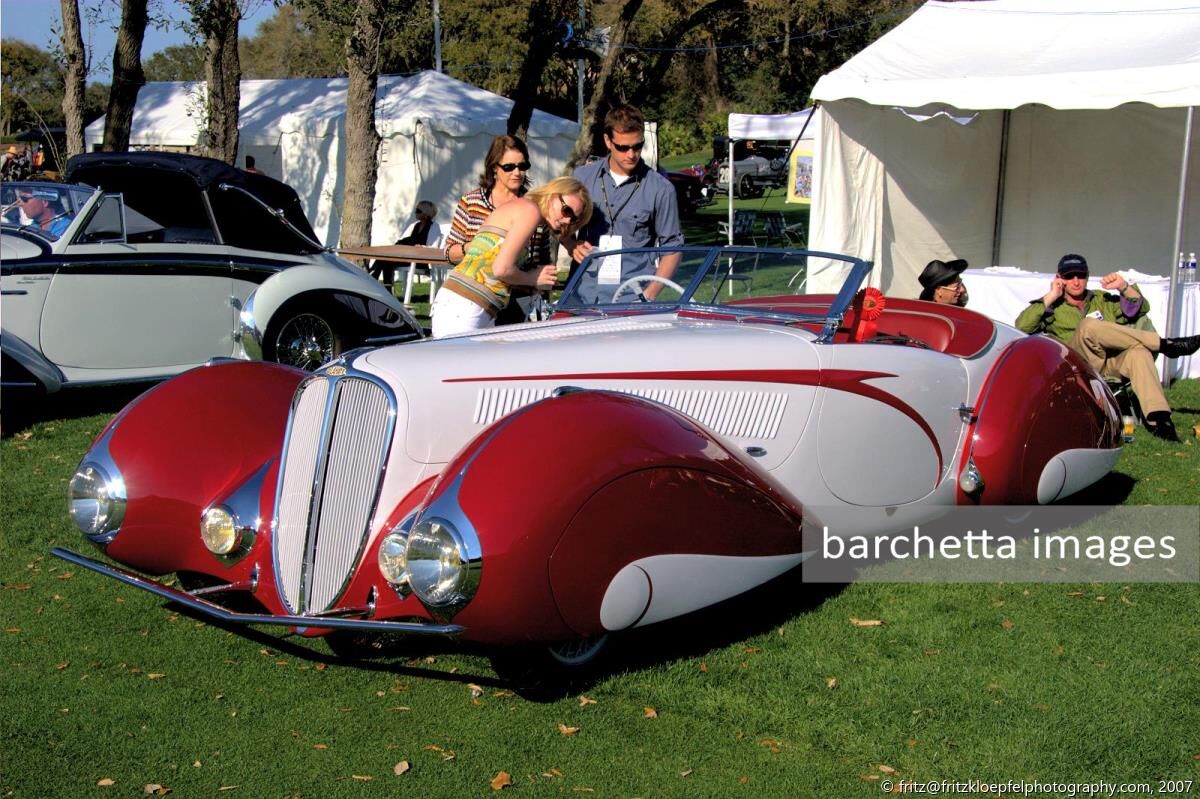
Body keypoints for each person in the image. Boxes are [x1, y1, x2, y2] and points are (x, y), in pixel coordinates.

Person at [1014, 253, 1200, 441]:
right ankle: (1166, 344)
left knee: (1139, 353)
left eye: (1081, 275)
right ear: (1060, 278)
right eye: (1070, 276)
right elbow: (1022, 326)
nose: (1076, 282)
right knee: (1088, 325)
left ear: (1088, 276)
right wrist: (1052, 295)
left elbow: (1141, 308)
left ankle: (1160, 420)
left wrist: (1124, 287)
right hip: (1077, 365)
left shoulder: (1101, 300)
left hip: (1109, 363)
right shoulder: (1053, 306)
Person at [432, 177, 592, 337]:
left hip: (468, 304)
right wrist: (533, 278)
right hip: (465, 306)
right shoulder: (530, 211)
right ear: (552, 195)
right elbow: (501, 269)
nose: (567, 220)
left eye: (574, 219)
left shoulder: (524, 209)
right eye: (566, 210)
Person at [561, 104, 683, 303]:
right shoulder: (582, 177)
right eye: (623, 147)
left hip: (630, 299)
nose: (631, 154)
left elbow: (673, 247)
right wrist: (570, 244)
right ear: (608, 141)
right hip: (580, 296)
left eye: (637, 146)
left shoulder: (661, 189)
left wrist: (650, 293)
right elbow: (554, 219)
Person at [444, 135, 552, 325]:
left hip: (520, 300)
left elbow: (541, 259)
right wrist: (475, 248)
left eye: (523, 166)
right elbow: (449, 252)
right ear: (494, 167)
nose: (517, 172)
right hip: (477, 300)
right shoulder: (472, 202)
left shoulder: (533, 208)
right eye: (509, 167)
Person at [370, 200, 437, 290]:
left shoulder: (432, 226)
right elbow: (411, 240)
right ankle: (382, 284)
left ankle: (375, 279)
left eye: (418, 211)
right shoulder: (417, 226)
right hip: (410, 256)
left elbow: (429, 244)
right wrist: (400, 243)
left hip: (420, 260)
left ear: (426, 213)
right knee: (385, 258)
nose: (415, 213)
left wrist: (416, 246)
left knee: (386, 260)